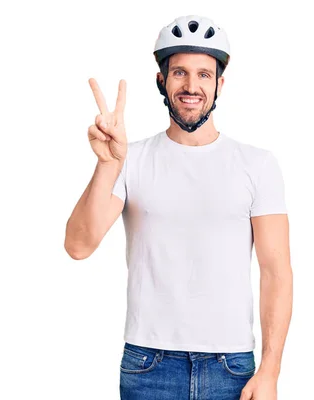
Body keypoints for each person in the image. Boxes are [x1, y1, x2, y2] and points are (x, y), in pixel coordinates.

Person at [64, 15, 292, 400]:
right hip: (148, 364)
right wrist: (107, 165)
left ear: (219, 84)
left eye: (204, 75)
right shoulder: (129, 159)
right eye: (180, 73)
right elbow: (78, 246)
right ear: (161, 81)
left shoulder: (257, 164)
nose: (191, 86)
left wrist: (270, 371)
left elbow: (277, 272)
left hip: (231, 365)